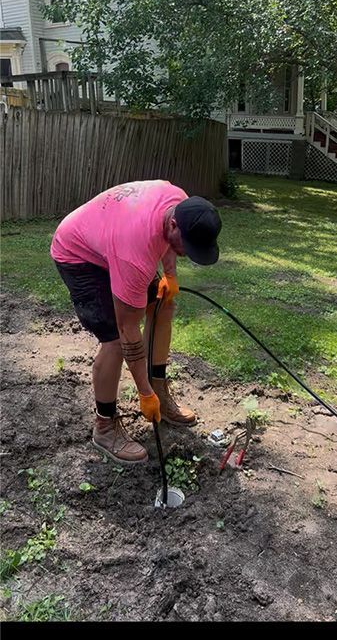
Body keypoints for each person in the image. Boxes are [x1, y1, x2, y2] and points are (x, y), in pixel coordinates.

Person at [50, 180, 222, 466]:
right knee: (115, 341)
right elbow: (128, 329)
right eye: (188, 246)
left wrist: (171, 275)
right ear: (174, 225)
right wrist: (143, 394)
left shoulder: (178, 201)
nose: (187, 253)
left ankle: (161, 391)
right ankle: (104, 427)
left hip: (110, 241)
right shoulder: (136, 253)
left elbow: (168, 243)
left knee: (163, 306)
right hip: (78, 254)